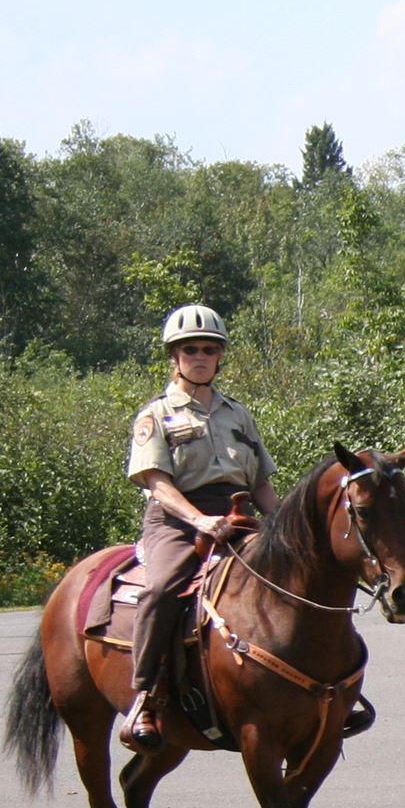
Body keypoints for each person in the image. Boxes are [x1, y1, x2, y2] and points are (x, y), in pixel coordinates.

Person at [119, 304, 280, 751]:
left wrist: (286, 525)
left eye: (210, 349)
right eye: (190, 349)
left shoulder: (238, 414)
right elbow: (156, 482)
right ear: (174, 357)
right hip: (176, 520)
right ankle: (147, 697)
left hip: (237, 514)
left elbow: (260, 483)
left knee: (293, 577)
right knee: (163, 588)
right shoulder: (157, 415)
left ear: (220, 356)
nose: (201, 356)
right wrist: (199, 520)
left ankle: (323, 687)